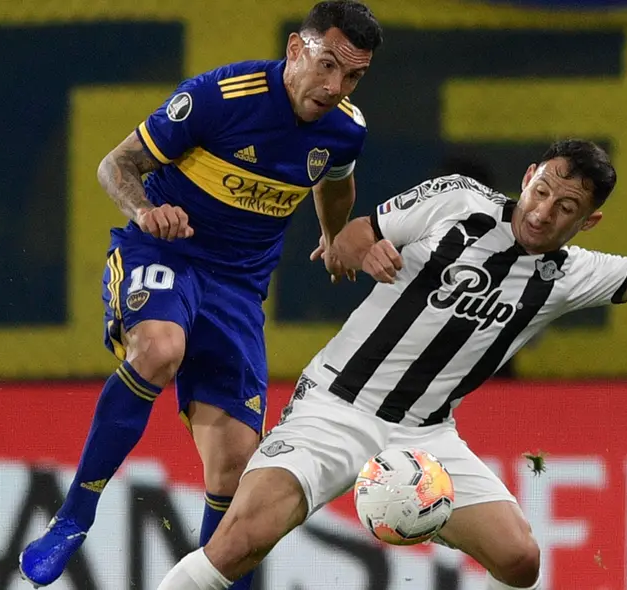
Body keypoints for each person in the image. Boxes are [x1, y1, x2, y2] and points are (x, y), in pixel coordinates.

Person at [154, 138, 627, 590]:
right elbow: (353, 233)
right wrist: (362, 252)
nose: (543, 212)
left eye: (566, 207)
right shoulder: (458, 200)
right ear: (527, 178)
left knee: (520, 560)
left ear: (589, 221)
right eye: (542, 191)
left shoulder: (574, 274)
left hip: (426, 438)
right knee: (240, 541)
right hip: (336, 406)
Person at [19, 2, 383, 587]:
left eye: (353, 76)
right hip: (166, 254)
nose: (335, 87)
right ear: (296, 49)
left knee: (237, 467)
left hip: (238, 290)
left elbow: (336, 181)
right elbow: (116, 165)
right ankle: (74, 515)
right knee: (160, 349)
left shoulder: (346, 128)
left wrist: (333, 235)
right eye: (327, 65)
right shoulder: (220, 97)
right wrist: (146, 210)